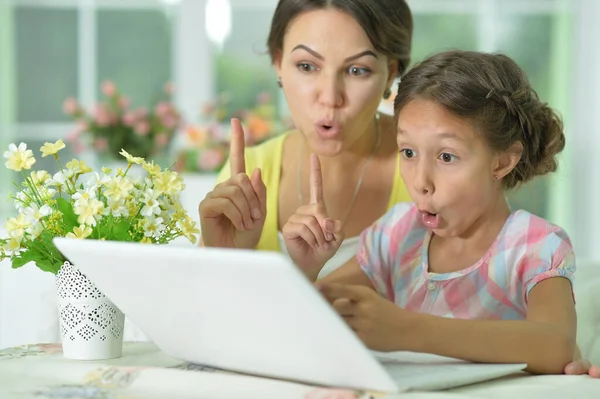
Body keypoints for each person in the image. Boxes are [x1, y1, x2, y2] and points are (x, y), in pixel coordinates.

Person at [282, 49, 600, 376]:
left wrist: (408, 330)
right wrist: (307, 271)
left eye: (446, 157)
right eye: (408, 152)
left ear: (502, 161)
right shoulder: (396, 234)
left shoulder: (535, 245)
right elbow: (310, 323)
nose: (420, 181)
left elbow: (556, 345)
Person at [198, 0, 413, 278]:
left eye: (358, 70)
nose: (330, 97)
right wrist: (224, 260)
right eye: (307, 66)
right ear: (278, 63)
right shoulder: (247, 175)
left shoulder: (433, 167)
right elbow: (200, 314)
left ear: (391, 73)